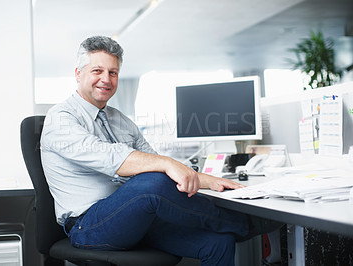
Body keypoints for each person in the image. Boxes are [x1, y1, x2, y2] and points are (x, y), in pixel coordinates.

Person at [40, 36, 281, 265]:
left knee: (218, 243)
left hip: (135, 219)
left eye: (113, 72)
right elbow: (118, 161)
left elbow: (153, 160)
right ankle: (246, 224)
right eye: (97, 71)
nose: (106, 79)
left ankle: (235, 226)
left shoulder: (120, 120)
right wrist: (167, 164)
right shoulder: (61, 119)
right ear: (78, 74)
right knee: (152, 183)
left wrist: (212, 181)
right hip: (89, 226)